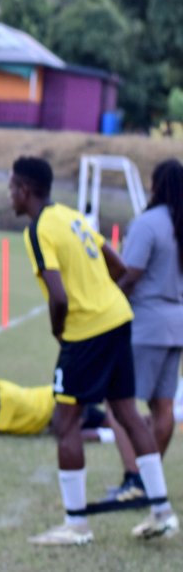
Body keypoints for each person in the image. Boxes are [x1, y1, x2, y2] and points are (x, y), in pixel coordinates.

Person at [9, 155, 177, 545]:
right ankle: (162, 511)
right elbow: (118, 267)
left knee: (65, 422)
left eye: (12, 188)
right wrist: (100, 295)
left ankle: (76, 524)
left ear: (25, 190)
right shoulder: (71, 215)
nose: (10, 196)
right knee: (128, 413)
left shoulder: (37, 230)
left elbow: (59, 297)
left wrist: (60, 333)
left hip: (86, 332)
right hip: (119, 318)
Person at [0, 370, 147, 504]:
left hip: (55, 405)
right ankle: (135, 425)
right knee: (109, 420)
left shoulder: (6, 398)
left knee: (73, 433)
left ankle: (117, 433)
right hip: (50, 412)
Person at [118, 158, 183, 458]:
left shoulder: (149, 223)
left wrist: (110, 300)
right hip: (176, 324)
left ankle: (135, 477)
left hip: (147, 324)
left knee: (122, 404)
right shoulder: (179, 225)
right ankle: (152, 478)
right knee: (163, 406)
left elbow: (130, 274)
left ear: (155, 185)